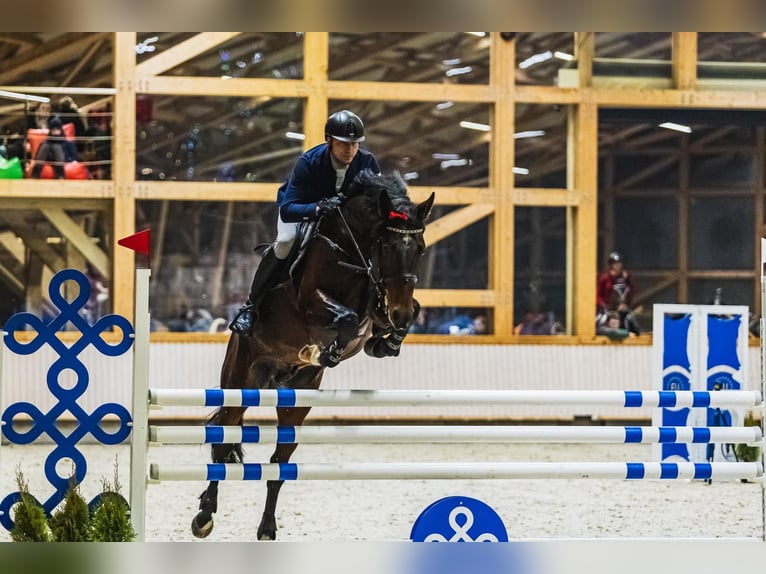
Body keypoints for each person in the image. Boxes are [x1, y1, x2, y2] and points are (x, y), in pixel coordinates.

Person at [229, 110, 381, 335]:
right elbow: (289, 209)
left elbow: (374, 200)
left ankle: (380, 311)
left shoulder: (367, 162)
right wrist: (318, 208)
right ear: (329, 140)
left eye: (355, 144)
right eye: (343, 144)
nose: (350, 150)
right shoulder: (308, 162)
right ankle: (251, 306)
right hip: (303, 212)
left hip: (341, 220)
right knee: (285, 241)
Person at [596, 251, 640, 336]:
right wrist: (603, 305)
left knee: (631, 320)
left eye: (619, 263)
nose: (617, 265)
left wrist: (628, 280)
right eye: (615, 263)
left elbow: (631, 291)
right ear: (611, 265)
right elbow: (597, 295)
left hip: (622, 308)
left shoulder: (626, 277)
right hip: (608, 308)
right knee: (600, 322)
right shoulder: (604, 278)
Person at [30, 115, 79, 179]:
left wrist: (67, 159)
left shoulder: (67, 143)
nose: (55, 132)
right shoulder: (44, 143)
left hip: (61, 160)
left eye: (57, 129)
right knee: (45, 146)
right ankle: (35, 175)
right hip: (46, 158)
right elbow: (36, 156)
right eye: (53, 129)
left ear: (61, 130)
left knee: (56, 147)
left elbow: (74, 156)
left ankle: (60, 175)